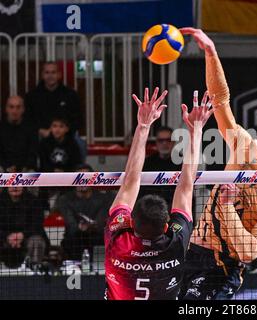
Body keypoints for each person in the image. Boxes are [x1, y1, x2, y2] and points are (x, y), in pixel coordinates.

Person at [179, 28, 257, 300]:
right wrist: (211, 53)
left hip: (220, 269)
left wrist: (227, 208)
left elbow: (249, 251)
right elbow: (220, 101)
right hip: (188, 254)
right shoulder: (245, 147)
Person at [104, 88, 214, 300]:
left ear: (132, 223)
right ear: (166, 226)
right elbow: (186, 186)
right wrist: (196, 130)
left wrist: (143, 126)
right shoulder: (175, 243)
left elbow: (130, 182)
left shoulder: (118, 242)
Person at [55, 164, 114, 260]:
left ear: (92, 180)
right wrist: (79, 227)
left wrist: (92, 226)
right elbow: (71, 224)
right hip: (74, 239)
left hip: (97, 238)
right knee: (72, 239)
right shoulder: (64, 199)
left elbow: (100, 223)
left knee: (105, 239)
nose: (82, 181)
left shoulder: (104, 198)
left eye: (86, 178)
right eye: (79, 177)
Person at [25, 61, 82, 139]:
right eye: (47, 72)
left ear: (59, 75)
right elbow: (27, 120)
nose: (50, 76)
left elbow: (78, 119)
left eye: (53, 72)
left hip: (66, 135)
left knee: (80, 145)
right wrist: (40, 130)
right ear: (42, 75)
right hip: (40, 135)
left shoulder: (70, 95)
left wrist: (62, 131)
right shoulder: (31, 96)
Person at [0, 187, 48, 268]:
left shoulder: (34, 201)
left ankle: (34, 270)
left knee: (37, 241)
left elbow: (37, 224)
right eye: (11, 185)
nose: (15, 187)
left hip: (28, 237)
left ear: (24, 185)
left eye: (18, 184)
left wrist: (22, 235)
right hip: (4, 237)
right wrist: (7, 236)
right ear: (6, 186)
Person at [141, 126, 181, 208]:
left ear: (173, 142)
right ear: (156, 142)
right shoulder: (147, 163)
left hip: (175, 207)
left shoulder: (182, 162)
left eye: (168, 140)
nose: (164, 143)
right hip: (151, 208)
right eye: (161, 140)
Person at [0, 95, 38, 172]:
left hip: (26, 168)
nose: (14, 111)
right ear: (6, 109)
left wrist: (24, 167)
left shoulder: (31, 128)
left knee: (32, 174)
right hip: (4, 168)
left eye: (18, 107)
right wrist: (7, 167)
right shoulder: (1, 127)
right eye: (11, 107)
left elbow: (33, 152)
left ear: (23, 109)